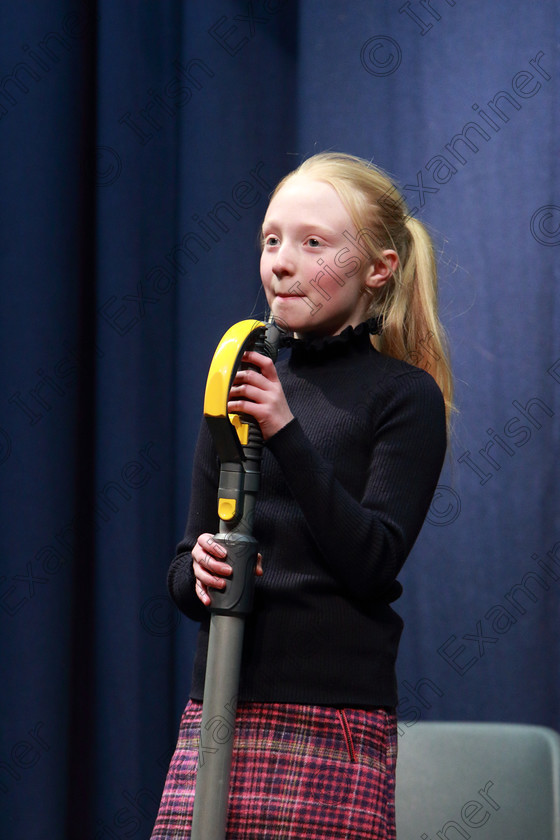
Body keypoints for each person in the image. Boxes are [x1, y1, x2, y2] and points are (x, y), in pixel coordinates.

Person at [151, 152, 452, 839]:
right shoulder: (239, 380)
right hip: (224, 706)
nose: (281, 261)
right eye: (271, 239)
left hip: (331, 717)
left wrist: (284, 430)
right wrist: (197, 571)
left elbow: (372, 560)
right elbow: (183, 566)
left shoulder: (404, 398)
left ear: (378, 269)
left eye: (313, 243)